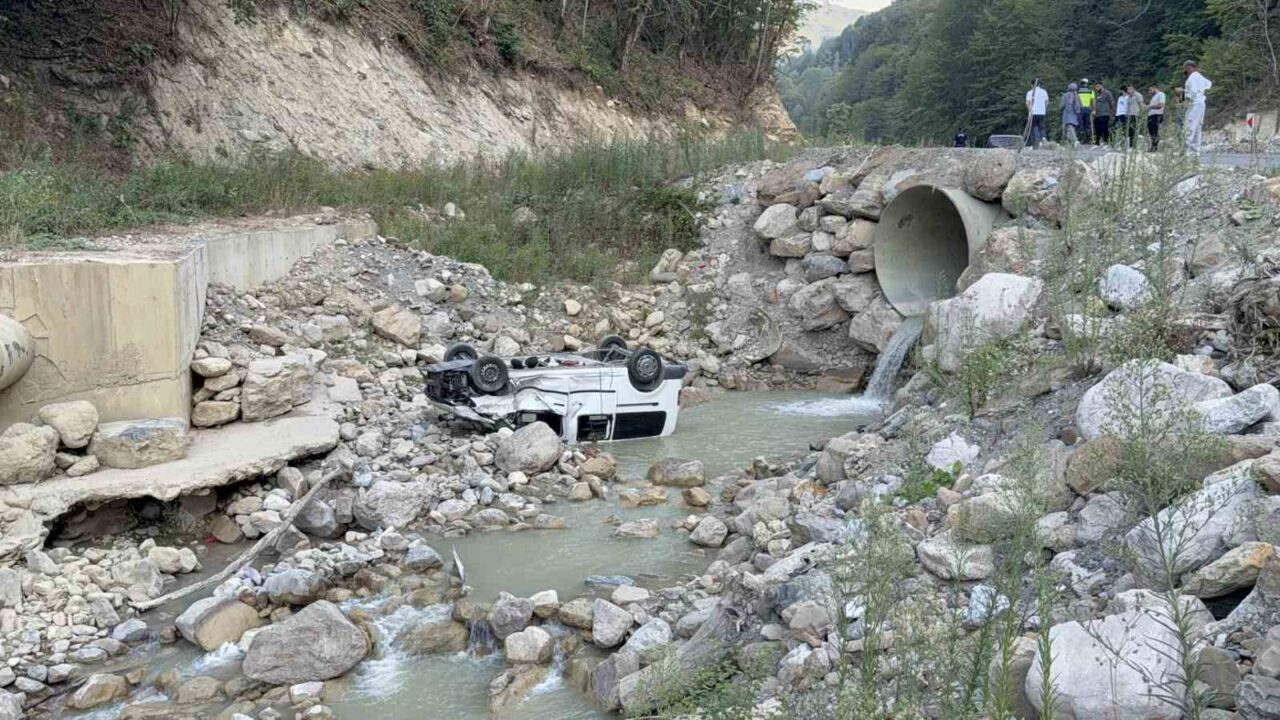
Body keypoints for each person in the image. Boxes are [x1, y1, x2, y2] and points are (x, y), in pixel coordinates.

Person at [1182, 60, 1213, 154]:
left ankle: (1187, 152)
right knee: (1197, 128)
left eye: (1185, 69)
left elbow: (1193, 91)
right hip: (1201, 103)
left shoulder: (1192, 78)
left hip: (1194, 104)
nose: (1185, 71)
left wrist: (1186, 101)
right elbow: (1209, 84)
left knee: (1189, 126)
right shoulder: (1199, 76)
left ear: (1188, 67)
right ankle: (1195, 152)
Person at [1025, 78, 1049, 147]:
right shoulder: (1044, 92)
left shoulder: (1030, 92)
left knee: (1034, 126)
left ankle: (1037, 140)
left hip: (1033, 113)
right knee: (1042, 127)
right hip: (1042, 112)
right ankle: (1043, 139)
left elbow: (1027, 103)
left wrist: (1030, 110)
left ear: (1031, 85)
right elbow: (1047, 102)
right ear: (1039, 84)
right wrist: (1044, 108)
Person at [1146, 83, 1166, 150]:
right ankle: (1153, 146)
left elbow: (1161, 105)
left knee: (1155, 131)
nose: (1149, 91)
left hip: (1157, 115)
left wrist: (1150, 106)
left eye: (1150, 89)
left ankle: (1155, 146)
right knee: (1151, 131)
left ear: (1154, 87)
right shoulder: (1154, 96)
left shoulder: (1161, 94)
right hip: (1151, 116)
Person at [1077, 79, 1094, 144]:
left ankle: (1081, 139)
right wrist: (1093, 109)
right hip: (1088, 109)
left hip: (1080, 109)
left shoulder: (1078, 91)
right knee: (1087, 124)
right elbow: (1093, 101)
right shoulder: (1090, 91)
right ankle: (1088, 140)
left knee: (1080, 124)